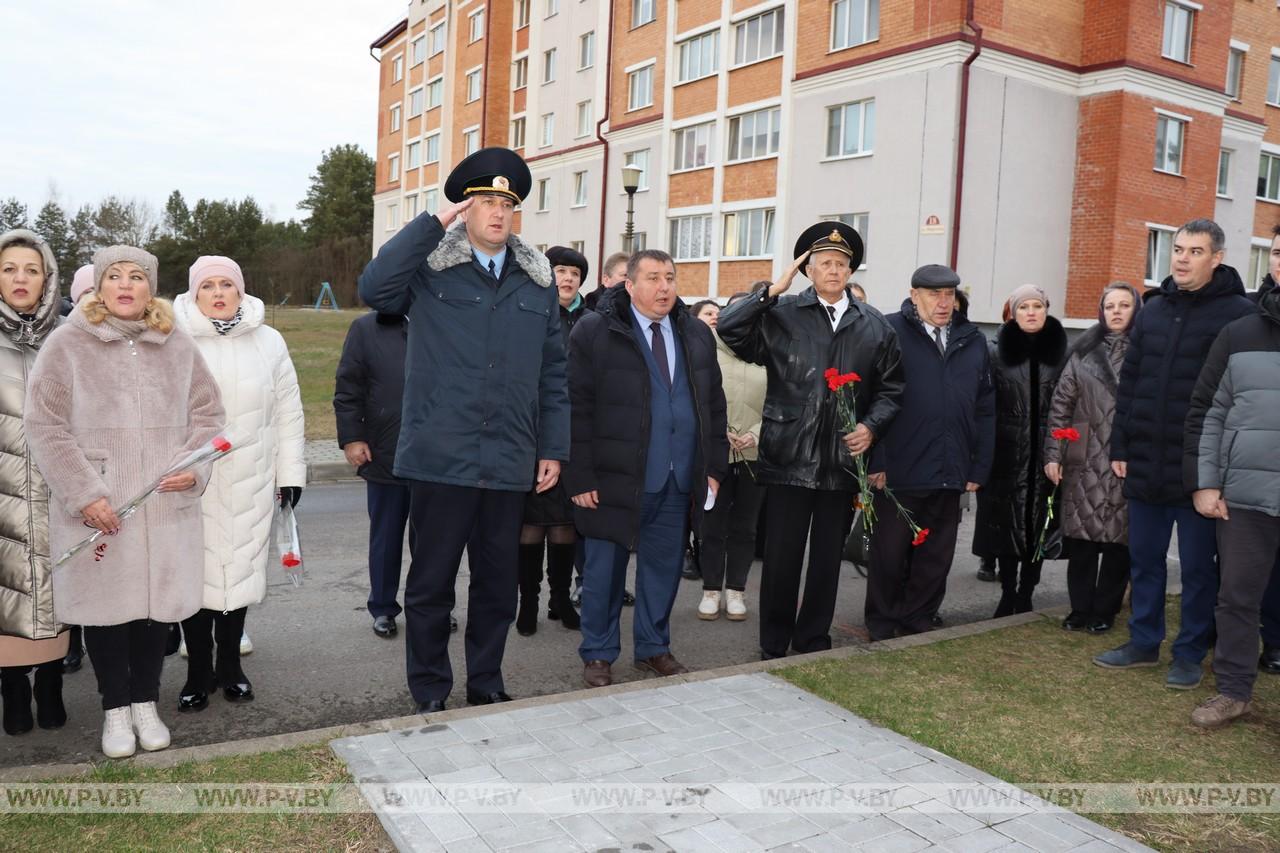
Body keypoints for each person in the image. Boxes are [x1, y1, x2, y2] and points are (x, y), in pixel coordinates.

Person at [357, 148, 569, 713]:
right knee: (430, 585)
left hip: (508, 458)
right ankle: (429, 690)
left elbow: (554, 372)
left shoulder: (536, 281)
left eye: (507, 203)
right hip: (440, 456)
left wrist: (552, 447)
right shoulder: (431, 269)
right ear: (466, 209)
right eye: (485, 202)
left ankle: (485, 682)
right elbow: (376, 289)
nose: (498, 213)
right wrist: (433, 224)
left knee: (498, 586)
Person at [25, 246, 224, 758]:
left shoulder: (175, 343)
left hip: (163, 504)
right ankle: (115, 709)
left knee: (156, 613)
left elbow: (209, 416)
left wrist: (194, 467)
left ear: (150, 287)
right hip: (103, 505)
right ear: (98, 285)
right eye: (116, 276)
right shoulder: (66, 344)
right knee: (108, 611)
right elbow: (45, 426)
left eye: (137, 277)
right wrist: (84, 493)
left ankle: (145, 703)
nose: (127, 286)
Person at [718, 222, 904, 660]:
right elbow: (729, 330)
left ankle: (813, 640)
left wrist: (872, 426)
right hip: (788, 456)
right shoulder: (782, 315)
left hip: (840, 461)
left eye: (841, 264)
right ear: (808, 270)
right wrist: (768, 292)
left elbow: (893, 389)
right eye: (824, 263)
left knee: (825, 563)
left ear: (851, 270)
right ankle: (774, 644)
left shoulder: (874, 326)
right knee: (781, 560)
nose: (833, 270)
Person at [1096, 219, 1256, 688]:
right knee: (1144, 559)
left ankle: (1188, 653)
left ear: (1217, 258)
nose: (1182, 258)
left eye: (1195, 251)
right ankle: (1143, 643)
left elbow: (1235, 397)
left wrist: (1219, 467)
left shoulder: (1236, 314)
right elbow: (1132, 382)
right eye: (1178, 249)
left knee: (1197, 570)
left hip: (1198, 469)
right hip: (1145, 459)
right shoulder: (1154, 309)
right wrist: (1121, 443)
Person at [564, 249, 728, 687]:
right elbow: (574, 406)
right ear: (628, 285)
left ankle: (653, 648)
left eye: (670, 278)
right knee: (604, 572)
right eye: (653, 278)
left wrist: (713, 467)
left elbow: (713, 404)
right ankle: (598, 653)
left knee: (663, 569)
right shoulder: (596, 331)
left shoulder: (695, 333)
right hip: (613, 477)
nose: (664, 287)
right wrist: (578, 475)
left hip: (677, 479)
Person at [172, 256, 305, 711]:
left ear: (240, 291)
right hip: (194, 479)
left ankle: (231, 665)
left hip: (252, 476)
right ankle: (197, 671)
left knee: (242, 571)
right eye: (206, 285)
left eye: (225, 284)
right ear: (194, 294)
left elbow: (288, 412)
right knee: (197, 576)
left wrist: (290, 476)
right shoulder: (174, 339)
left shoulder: (269, 342)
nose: (217, 293)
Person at [865, 265, 994, 640]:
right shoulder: (888, 331)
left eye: (949, 294)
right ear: (914, 294)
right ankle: (884, 623)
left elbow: (985, 408)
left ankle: (918, 620)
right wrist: (877, 459)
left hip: (950, 466)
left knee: (936, 556)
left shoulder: (972, 340)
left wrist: (978, 465)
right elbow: (872, 399)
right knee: (889, 554)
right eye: (934, 294)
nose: (943, 302)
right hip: (898, 468)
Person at [1183, 282, 1280, 727]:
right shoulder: (1239, 333)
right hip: (1244, 495)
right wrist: (1206, 483)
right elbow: (1209, 410)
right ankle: (1234, 692)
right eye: (1278, 252)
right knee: (1237, 596)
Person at [0, 230, 69, 735]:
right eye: (9, 269)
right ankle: (12, 691)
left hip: (56, 489)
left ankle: (50, 683)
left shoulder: (68, 336)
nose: (20, 278)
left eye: (30, 269)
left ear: (47, 278)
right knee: (7, 590)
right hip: (2, 491)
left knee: (54, 586)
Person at [1044, 282, 1141, 634]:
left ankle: (1105, 610)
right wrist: (1053, 454)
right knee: (1082, 540)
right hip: (1083, 458)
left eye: (1124, 305)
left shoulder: (1147, 351)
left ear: (1136, 309)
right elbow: (1061, 406)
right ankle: (1079, 609)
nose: (1116, 311)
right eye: (1110, 305)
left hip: (1125, 458)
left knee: (1118, 542)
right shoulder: (1083, 349)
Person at [971, 285, 1066, 616]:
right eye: (1023, 306)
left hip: (1045, 457)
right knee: (1006, 528)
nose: (1030, 311)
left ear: (1046, 309)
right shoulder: (995, 353)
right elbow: (982, 403)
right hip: (1005, 455)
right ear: (1013, 312)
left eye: (1037, 305)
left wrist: (1059, 451)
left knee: (1037, 527)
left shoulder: (1062, 353)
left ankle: (1027, 591)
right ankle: (1008, 591)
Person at [516, 246, 588, 636]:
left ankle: (560, 598)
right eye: (560, 270)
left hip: (575, 432)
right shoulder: (532, 311)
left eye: (575, 273)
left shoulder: (591, 319)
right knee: (530, 524)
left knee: (565, 523)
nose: (567, 278)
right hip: (532, 430)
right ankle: (527, 600)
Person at [334, 310, 418, 638]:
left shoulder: (444, 316)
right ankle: (383, 607)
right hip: (386, 450)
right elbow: (348, 387)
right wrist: (353, 437)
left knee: (435, 541)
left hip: (439, 454)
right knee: (386, 537)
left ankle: (433, 605)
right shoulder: (366, 328)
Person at [698, 291, 767, 621]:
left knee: (745, 526)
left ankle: (736, 590)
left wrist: (757, 432)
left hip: (755, 451)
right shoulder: (708, 348)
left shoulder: (768, 350)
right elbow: (700, 395)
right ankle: (711, 589)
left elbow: (783, 401)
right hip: (717, 450)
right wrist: (719, 430)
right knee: (712, 524)